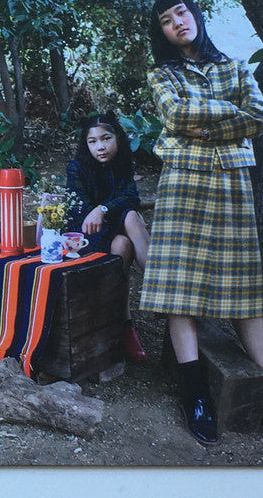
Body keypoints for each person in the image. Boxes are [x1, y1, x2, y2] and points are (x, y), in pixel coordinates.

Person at [140, 0, 263, 447]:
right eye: (166, 20)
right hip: (182, 181)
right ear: (162, 33)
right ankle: (195, 395)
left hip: (231, 181)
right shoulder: (162, 74)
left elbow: (259, 118)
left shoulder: (237, 67)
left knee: (245, 292)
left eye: (181, 12)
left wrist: (203, 125)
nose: (177, 23)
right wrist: (227, 112)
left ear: (195, 15)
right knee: (179, 290)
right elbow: (174, 113)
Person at [66, 112, 151, 363]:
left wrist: (103, 209)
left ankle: (121, 324)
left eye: (106, 138)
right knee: (125, 233)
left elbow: (131, 198)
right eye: (92, 141)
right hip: (86, 237)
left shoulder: (123, 163)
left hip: (115, 227)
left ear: (118, 138)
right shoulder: (77, 167)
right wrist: (101, 212)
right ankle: (132, 314)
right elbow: (82, 215)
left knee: (128, 226)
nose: (100, 147)